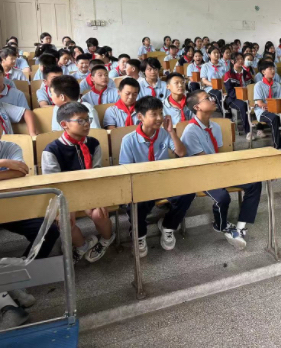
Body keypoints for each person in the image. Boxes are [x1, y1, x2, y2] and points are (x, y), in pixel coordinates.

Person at [180, 90, 261, 249]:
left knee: (254, 183)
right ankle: (221, 225)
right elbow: (203, 162)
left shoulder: (215, 126)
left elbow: (221, 154)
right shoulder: (190, 131)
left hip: (217, 168)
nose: (212, 99)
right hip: (201, 173)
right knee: (223, 197)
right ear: (197, 107)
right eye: (207, 98)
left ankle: (240, 227)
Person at [42, 102, 116, 262]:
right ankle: (82, 245)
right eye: (80, 120)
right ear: (64, 124)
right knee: (64, 221)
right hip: (65, 194)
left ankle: (107, 238)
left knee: (100, 214)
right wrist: (62, 207)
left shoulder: (93, 143)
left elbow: (96, 173)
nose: (87, 124)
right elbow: (53, 185)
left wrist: (99, 198)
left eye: (88, 119)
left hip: (89, 189)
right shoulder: (51, 150)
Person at [0, 133, 59, 329]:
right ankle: (6, 299)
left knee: (49, 231)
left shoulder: (10, 147)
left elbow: (20, 172)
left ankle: (17, 278)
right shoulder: (6, 156)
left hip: (12, 205)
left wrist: (10, 166)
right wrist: (4, 163)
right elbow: (12, 171)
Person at [120, 97, 190, 257]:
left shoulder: (164, 134)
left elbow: (181, 153)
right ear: (140, 117)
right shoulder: (128, 140)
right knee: (136, 202)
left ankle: (168, 225)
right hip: (142, 183)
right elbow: (125, 170)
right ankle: (139, 234)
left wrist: (171, 131)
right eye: (154, 114)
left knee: (187, 192)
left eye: (161, 113)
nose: (159, 118)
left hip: (163, 180)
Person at [253, 61, 281, 151]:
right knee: (274, 118)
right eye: (270, 69)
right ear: (263, 72)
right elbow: (260, 103)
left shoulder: (277, 85)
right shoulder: (258, 85)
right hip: (262, 112)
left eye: (273, 69)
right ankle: (278, 147)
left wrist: (271, 106)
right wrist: (271, 106)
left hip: (275, 110)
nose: (273, 71)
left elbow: (280, 101)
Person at [223, 52, 254, 140]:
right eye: (238, 59)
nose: (241, 61)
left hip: (247, 96)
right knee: (243, 105)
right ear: (232, 61)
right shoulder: (228, 74)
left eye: (242, 59)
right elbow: (230, 91)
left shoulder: (247, 73)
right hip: (233, 98)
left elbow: (252, 86)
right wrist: (241, 95)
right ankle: (248, 131)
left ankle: (260, 129)